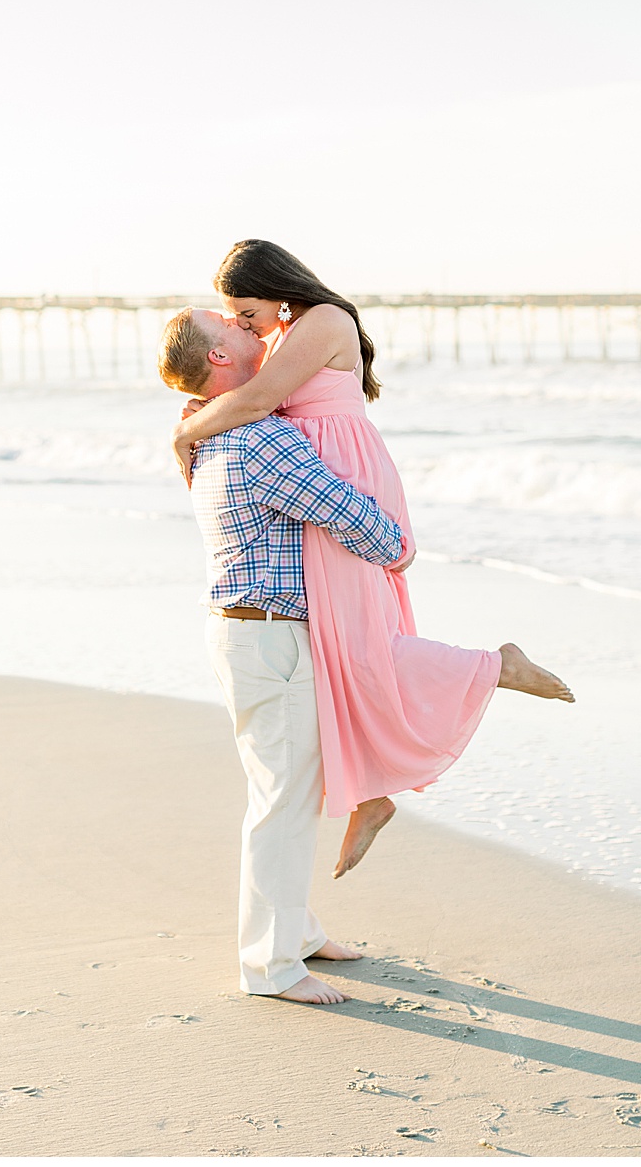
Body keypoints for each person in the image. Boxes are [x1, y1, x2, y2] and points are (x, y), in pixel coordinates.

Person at [168, 241, 573, 881]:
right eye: (234, 319)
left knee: (360, 646)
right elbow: (253, 406)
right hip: (316, 476)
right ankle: (368, 792)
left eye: (246, 311)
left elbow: (253, 402)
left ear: (275, 290)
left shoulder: (323, 320)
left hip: (343, 475)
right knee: (334, 652)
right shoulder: (282, 335)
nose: (244, 324)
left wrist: (183, 434)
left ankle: (496, 667)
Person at [156, 307, 408, 1002]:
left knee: (288, 794)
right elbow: (347, 513)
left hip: (249, 633)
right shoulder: (261, 440)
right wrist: (400, 548)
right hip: (270, 637)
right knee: (282, 803)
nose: (261, 333)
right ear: (217, 358)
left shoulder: (211, 432)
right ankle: (270, 965)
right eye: (236, 328)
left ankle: (293, 933)